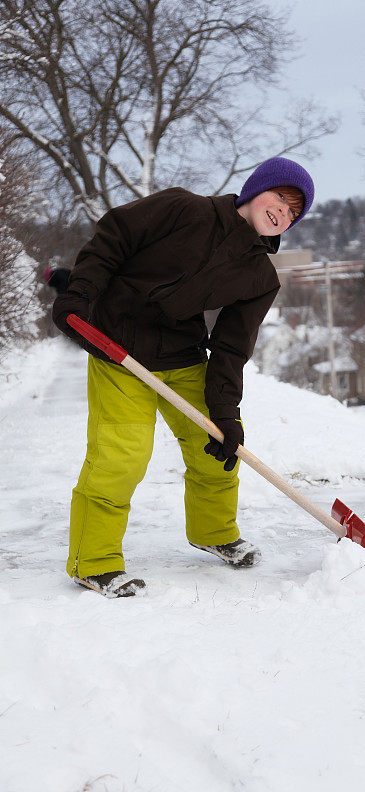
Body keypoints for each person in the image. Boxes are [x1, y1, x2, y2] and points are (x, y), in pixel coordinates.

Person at [52, 156, 314, 597]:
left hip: (184, 356)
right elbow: (114, 237)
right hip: (120, 350)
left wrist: (226, 412)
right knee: (122, 456)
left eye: (293, 212)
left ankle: (214, 532)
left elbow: (232, 346)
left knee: (218, 447)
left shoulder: (260, 277)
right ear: (256, 189)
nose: (282, 213)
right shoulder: (183, 208)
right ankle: (92, 561)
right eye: (280, 198)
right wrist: (80, 292)